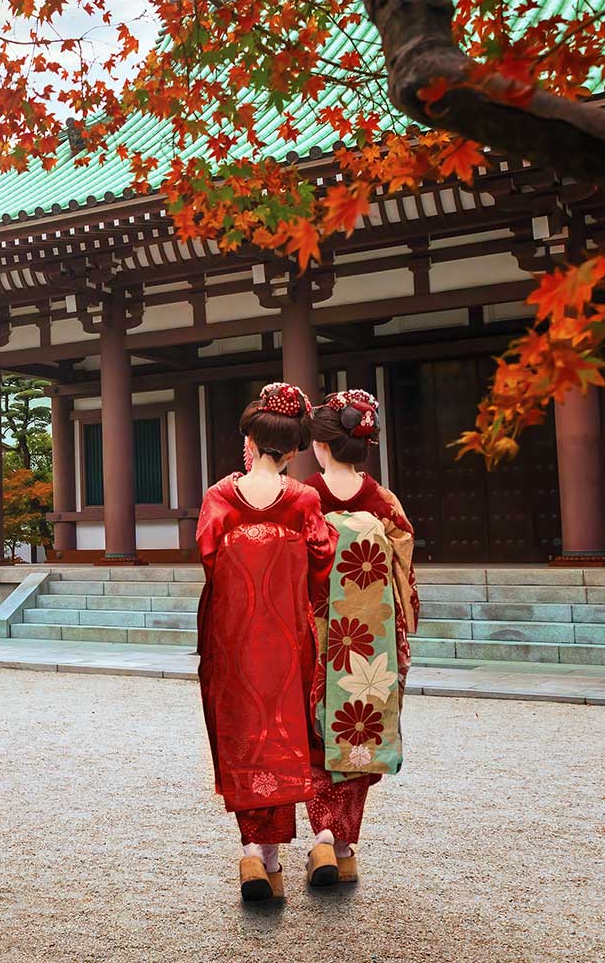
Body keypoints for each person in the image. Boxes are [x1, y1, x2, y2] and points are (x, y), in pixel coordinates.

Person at [196, 382, 336, 902]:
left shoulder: (218, 497)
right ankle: (323, 839)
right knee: (294, 729)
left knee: (247, 733)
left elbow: (211, 559)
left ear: (249, 439)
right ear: (296, 449)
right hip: (289, 636)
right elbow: (321, 564)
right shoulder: (303, 498)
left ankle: (259, 855)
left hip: (234, 640)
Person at [302, 389, 419, 886]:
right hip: (371, 639)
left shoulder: (303, 495)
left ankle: (323, 840)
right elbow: (402, 571)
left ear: (321, 446)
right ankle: (344, 844)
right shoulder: (382, 501)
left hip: (319, 633)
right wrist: (403, 626)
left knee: (315, 728)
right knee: (359, 729)